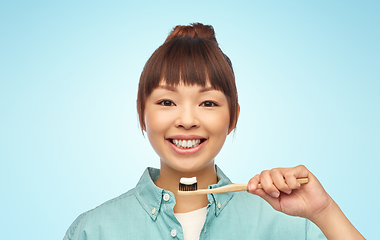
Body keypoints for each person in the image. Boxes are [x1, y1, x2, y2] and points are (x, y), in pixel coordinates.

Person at [63, 23, 364, 240]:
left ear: (233, 117)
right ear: (142, 114)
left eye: (207, 102)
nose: (187, 120)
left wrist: (324, 211)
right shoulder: (94, 230)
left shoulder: (289, 223)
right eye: (167, 101)